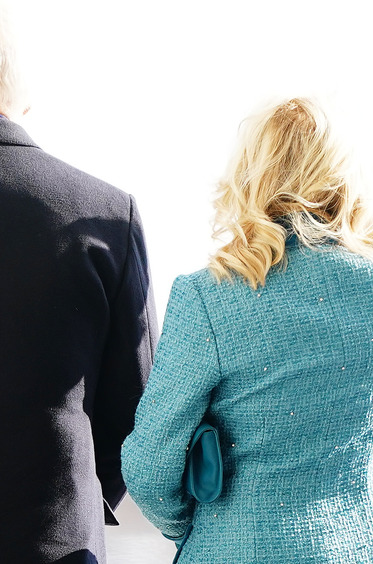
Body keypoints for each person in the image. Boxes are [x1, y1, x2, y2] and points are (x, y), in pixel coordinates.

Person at [121, 9, 373, 563]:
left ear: (250, 172)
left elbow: (149, 468)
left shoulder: (208, 298)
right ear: (346, 176)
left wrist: (204, 530)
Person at [0, 9, 157, 564]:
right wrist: (83, 500)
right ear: (26, 95)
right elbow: (136, 410)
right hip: (55, 542)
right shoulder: (105, 214)